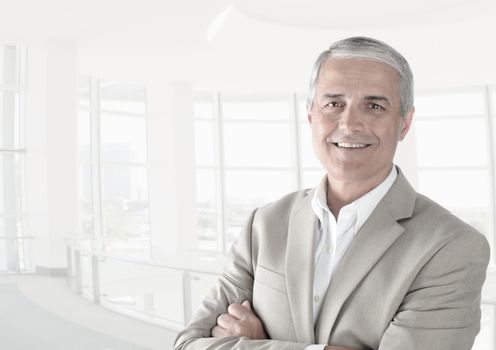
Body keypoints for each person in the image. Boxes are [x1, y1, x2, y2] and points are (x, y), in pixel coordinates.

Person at [174, 37, 490, 350]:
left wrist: (260, 344)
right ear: (311, 115)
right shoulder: (264, 225)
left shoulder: (452, 247)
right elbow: (188, 344)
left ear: (404, 123)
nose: (350, 123)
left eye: (375, 105)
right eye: (334, 104)